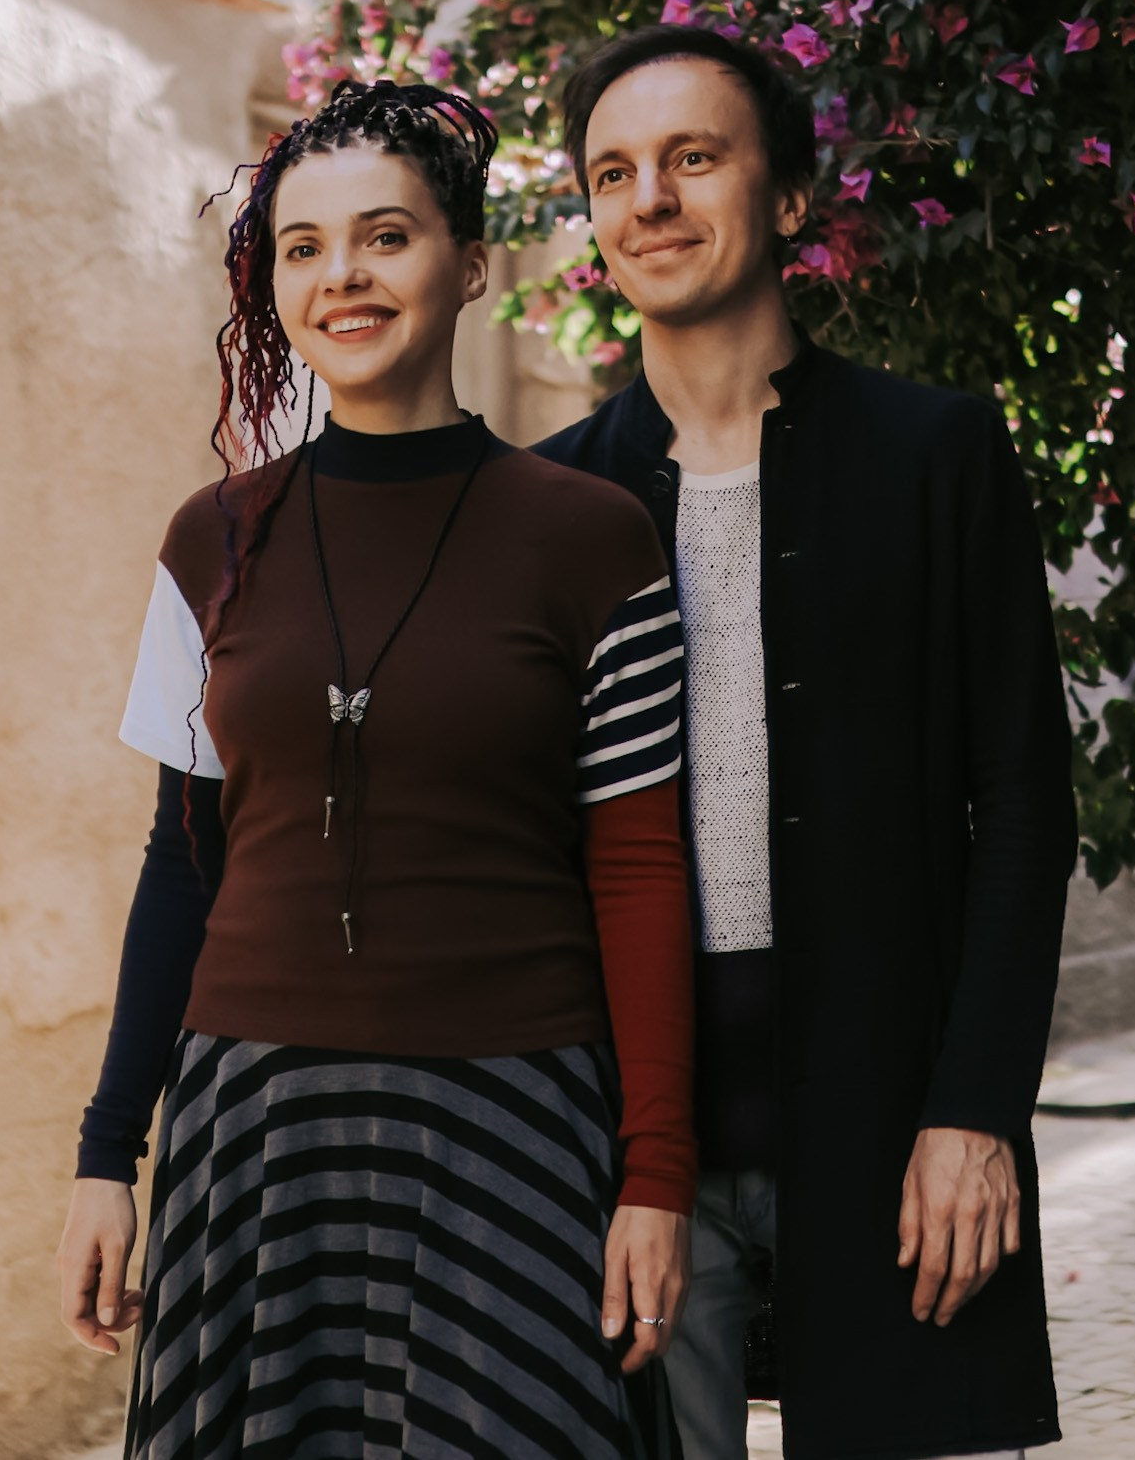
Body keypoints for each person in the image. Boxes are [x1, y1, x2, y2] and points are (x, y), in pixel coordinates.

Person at [55, 77, 697, 1460]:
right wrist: (110, 1152)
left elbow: (641, 870)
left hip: (514, 1124)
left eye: (385, 237)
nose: (341, 275)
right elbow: (183, 860)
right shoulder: (209, 539)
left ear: (470, 266)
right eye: (303, 246)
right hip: (257, 1131)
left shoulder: (593, 539)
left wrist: (656, 1172)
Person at [535, 26, 1079, 1460]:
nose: (648, 196)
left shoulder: (936, 455)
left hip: (894, 1109)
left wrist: (977, 1109)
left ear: (785, 198)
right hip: (636, 1141)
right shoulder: (548, 507)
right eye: (613, 172)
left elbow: (1023, 805)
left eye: (692, 157)